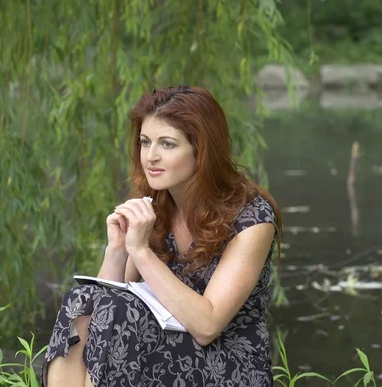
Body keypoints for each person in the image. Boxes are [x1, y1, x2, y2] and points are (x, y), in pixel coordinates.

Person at [42, 86, 283, 387]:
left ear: (202, 150)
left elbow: (208, 326)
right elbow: (105, 304)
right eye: (145, 142)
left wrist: (141, 252)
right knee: (81, 300)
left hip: (228, 363)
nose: (151, 157)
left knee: (120, 315)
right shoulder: (155, 206)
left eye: (167, 144)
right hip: (161, 348)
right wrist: (118, 249)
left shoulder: (252, 217)